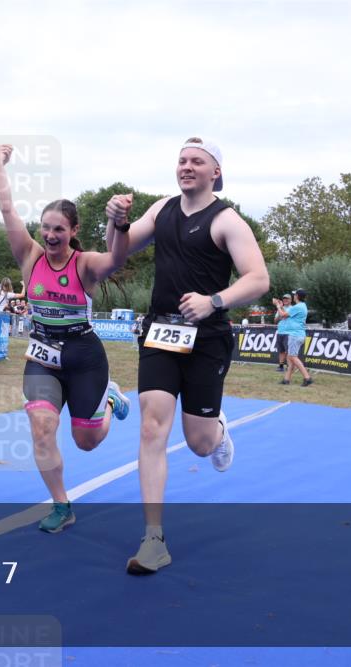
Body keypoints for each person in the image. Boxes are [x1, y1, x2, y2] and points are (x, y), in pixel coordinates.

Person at [106, 137, 269, 573]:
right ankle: (153, 539)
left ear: (215, 171)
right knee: (152, 426)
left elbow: (258, 279)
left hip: (207, 338)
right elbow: (117, 254)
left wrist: (213, 301)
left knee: (198, 444)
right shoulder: (161, 210)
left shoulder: (227, 219)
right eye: (182, 160)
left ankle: (217, 429)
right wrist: (115, 222)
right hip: (160, 332)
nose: (187, 166)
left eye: (197, 161)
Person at [0, 144, 131, 532]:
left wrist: (120, 225)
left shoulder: (83, 264)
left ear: (73, 231)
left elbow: (116, 259)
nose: (51, 235)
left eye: (59, 229)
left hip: (84, 355)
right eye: (46, 228)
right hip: (42, 354)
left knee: (86, 440)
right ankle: (61, 505)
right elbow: (6, 209)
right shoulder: (29, 257)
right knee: (41, 427)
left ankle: (111, 400)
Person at [278, 289, 313, 386]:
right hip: (299, 334)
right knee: (290, 358)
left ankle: (307, 377)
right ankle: (286, 379)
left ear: (297, 296)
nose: (293, 296)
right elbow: (288, 313)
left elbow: (283, 315)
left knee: (293, 357)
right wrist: (281, 307)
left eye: (294, 295)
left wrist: (278, 306)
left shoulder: (298, 307)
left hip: (295, 335)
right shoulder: (302, 306)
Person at [273, 292, 292, 371]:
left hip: (289, 332)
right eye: (284, 299)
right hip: (280, 332)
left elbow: (286, 316)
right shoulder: (280, 308)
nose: (285, 300)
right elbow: (275, 321)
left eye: (287, 299)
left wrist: (279, 308)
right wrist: (279, 314)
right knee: (281, 351)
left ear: (291, 300)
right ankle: (281, 366)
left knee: (288, 351)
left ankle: (289, 366)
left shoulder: (293, 308)